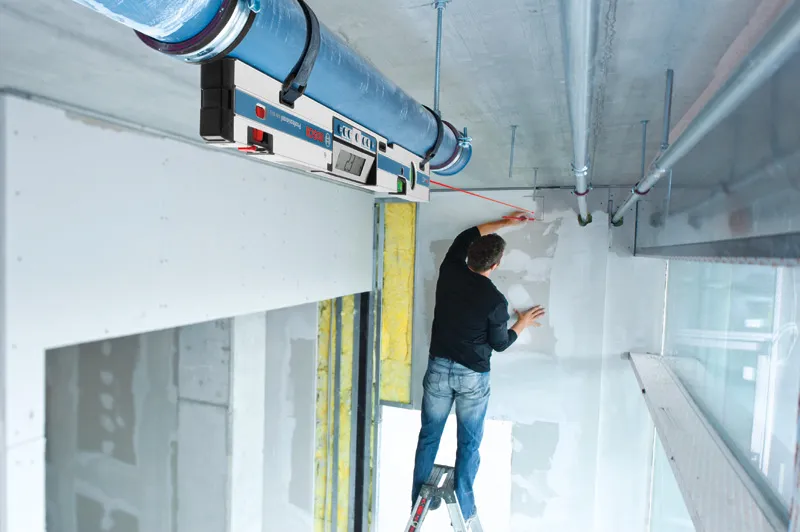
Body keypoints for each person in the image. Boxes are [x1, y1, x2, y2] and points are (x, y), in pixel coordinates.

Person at [410, 211, 546, 526]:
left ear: (469, 253)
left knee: (429, 434)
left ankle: (418, 497)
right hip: (471, 377)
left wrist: (504, 223)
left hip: (438, 370)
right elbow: (499, 344)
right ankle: (465, 502)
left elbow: (468, 232)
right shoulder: (495, 301)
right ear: (495, 266)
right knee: (469, 441)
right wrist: (522, 323)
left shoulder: (449, 268)